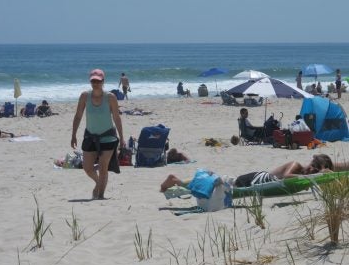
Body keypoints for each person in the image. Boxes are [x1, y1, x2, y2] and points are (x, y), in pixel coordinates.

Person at [71, 68, 125, 200]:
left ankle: (100, 195)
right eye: (93, 81)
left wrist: (122, 137)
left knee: (103, 167)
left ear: (103, 82)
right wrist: (73, 134)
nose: (95, 83)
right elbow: (78, 116)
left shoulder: (110, 97)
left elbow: (117, 118)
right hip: (90, 136)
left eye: (98, 81)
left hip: (108, 137)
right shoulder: (85, 96)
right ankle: (98, 183)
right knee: (87, 168)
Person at [160, 154, 338, 192]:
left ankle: (184, 181)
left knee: (221, 184)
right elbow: (285, 177)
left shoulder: (306, 177)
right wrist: (313, 175)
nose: (312, 171)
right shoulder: (296, 164)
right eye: (314, 167)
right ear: (311, 163)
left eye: (316, 170)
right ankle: (177, 181)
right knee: (218, 186)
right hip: (254, 179)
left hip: (256, 180)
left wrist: (324, 174)